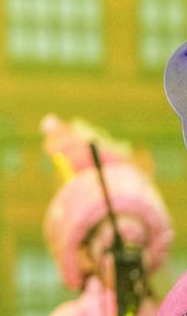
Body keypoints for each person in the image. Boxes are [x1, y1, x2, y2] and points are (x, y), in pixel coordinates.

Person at [40, 115, 173, 316]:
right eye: (114, 246)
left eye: (139, 245)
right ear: (85, 256)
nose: (129, 257)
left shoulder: (168, 310)